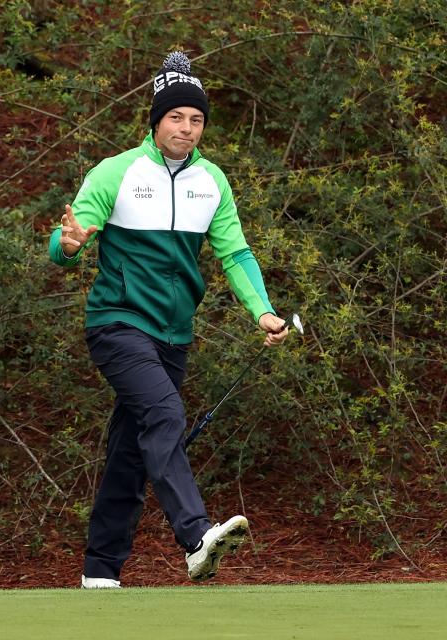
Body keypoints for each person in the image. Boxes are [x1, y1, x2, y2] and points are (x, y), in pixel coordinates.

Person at [49, 51, 289, 589]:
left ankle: (100, 571)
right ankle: (195, 535)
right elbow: (66, 239)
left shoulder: (213, 182)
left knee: (131, 448)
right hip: (117, 323)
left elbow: (236, 255)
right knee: (164, 414)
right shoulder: (116, 172)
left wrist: (264, 312)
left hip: (173, 334)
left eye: (196, 119)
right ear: (155, 121)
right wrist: (66, 247)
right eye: (176, 117)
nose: (187, 127)